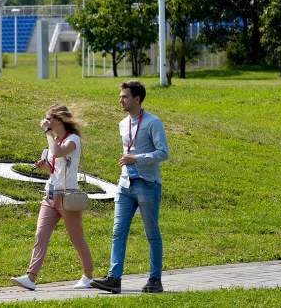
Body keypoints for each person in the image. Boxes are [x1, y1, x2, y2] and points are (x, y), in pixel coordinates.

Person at [91, 81, 170, 294]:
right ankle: (114, 278)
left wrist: (137, 158)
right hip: (125, 185)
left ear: (137, 99)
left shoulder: (153, 122)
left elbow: (163, 153)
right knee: (118, 231)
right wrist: (129, 163)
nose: (121, 100)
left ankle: (155, 279)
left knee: (151, 233)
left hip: (147, 184)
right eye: (121, 96)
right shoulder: (122, 124)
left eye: (125, 96)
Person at [11, 105, 94, 291]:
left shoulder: (73, 140)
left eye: (49, 119)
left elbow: (58, 152)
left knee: (76, 238)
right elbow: (54, 168)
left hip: (67, 197)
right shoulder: (55, 140)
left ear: (59, 120)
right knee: (41, 235)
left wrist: (47, 133)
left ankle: (88, 275)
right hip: (50, 195)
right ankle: (31, 277)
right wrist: (45, 167)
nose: (46, 122)